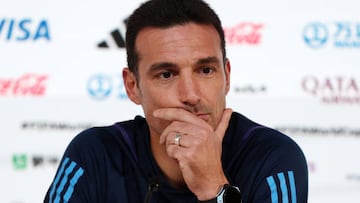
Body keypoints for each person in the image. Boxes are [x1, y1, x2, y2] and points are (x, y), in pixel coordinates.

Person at [44, 0, 308, 202]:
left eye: (206, 70)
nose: (191, 95)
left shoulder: (272, 157)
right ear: (132, 86)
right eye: (166, 74)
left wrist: (215, 188)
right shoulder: (96, 153)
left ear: (226, 76)